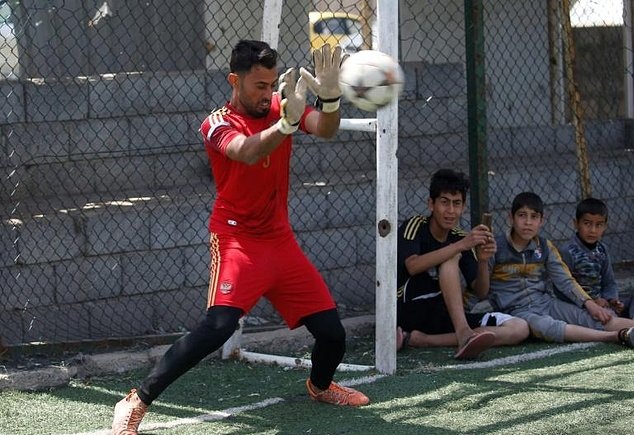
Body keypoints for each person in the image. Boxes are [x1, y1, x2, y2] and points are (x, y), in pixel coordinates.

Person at [111, 40, 369, 435]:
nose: (267, 95)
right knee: (217, 327)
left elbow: (327, 130)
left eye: (271, 85)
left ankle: (319, 387)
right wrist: (285, 124)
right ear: (235, 80)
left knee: (332, 334)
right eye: (258, 86)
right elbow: (246, 151)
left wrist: (331, 100)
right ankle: (136, 400)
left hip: (280, 242)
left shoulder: (284, 107)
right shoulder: (216, 123)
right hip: (236, 241)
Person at [396, 169, 530, 359]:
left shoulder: (460, 237)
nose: (451, 211)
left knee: (519, 328)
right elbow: (413, 266)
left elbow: (481, 291)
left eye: (456, 204)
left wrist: (483, 261)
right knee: (451, 258)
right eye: (444, 203)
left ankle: (425, 340)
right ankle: (464, 334)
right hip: (409, 310)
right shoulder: (416, 225)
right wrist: (460, 246)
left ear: (463, 207)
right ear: (431, 204)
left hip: (445, 313)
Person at [484, 192, 634, 347]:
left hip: (546, 303)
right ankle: (615, 336)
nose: (528, 222)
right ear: (511, 218)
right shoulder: (495, 247)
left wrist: (590, 304)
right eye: (522, 215)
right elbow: (478, 289)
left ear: (541, 220)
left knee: (592, 316)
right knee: (546, 326)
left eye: (534, 217)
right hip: (516, 312)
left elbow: (565, 280)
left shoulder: (545, 246)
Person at [558, 197, 633, 318]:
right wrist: (592, 302)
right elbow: (564, 288)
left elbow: (609, 282)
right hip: (580, 306)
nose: (593, 230)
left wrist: (612, 299)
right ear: (576, 224)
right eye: (587, 224)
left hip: (603, 303)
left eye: (599, 225)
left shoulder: (602, 250)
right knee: (607, 317)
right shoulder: (568, 251)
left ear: (605, 227)